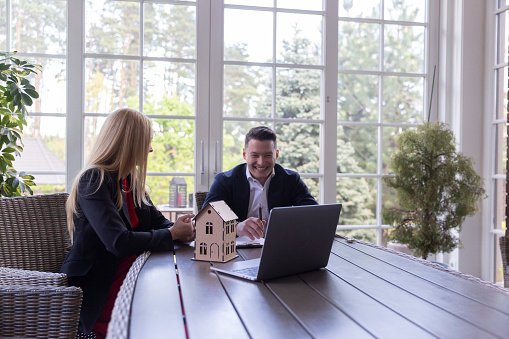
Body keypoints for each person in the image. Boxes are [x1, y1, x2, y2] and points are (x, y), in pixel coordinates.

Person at [61, 108, 195, 339]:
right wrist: (173, 234)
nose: (150, 149)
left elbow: (159, 222)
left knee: (180, 299)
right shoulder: (94, 179)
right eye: (147, 142)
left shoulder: (129, 180)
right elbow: (118, 242)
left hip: (132, 269)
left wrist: (180, 229)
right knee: (171, 305)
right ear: (130, 143)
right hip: (100, 282)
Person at [203, 126, 317, 240]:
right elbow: (206, 222)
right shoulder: (225, 181)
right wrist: (237, 227)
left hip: (280, 249)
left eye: (268, 155)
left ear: (276, 155)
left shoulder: (291, 180)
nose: (261, 162)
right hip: (237, 253)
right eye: (255, 155)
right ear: (244, 154)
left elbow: (315, 215)